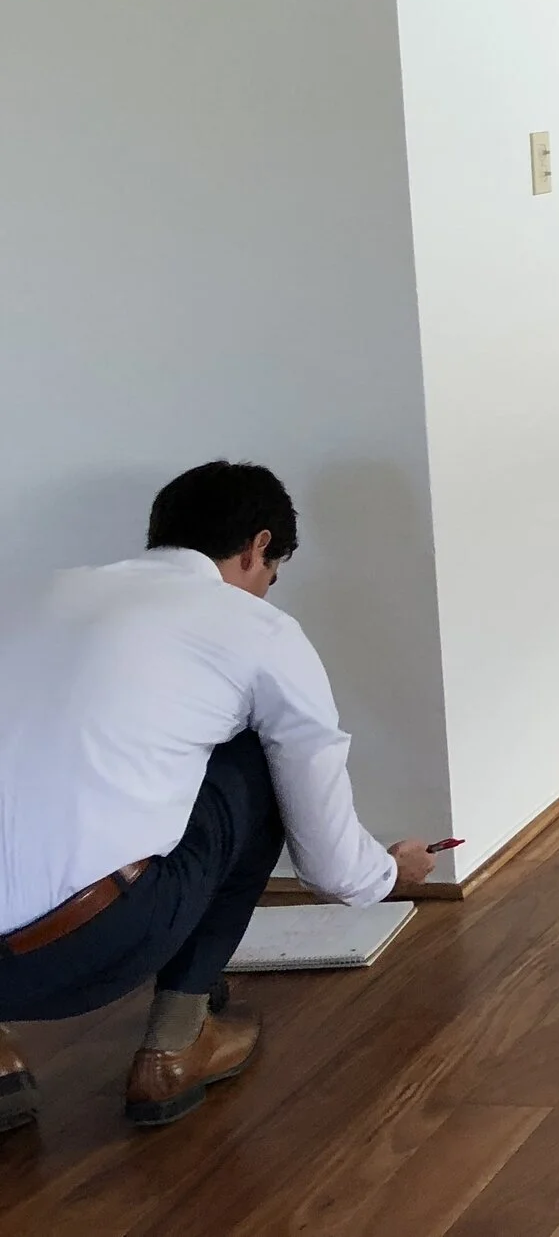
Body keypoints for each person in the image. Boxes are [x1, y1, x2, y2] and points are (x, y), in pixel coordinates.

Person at [0, 461, 436, 1130]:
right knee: (257, 759)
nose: (264, 592)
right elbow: (330, 867)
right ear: (258, 547)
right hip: (86, 948)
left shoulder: (35, 595)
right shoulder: (256, 628)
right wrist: (388, 872)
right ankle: (176, 1041)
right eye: (272, 576)